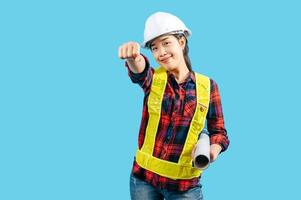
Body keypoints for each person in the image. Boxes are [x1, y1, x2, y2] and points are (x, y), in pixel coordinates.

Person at [118, 11, 230, 200]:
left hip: (184, 187)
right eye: (154, 48)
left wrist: (213, 150)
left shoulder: (208, 87)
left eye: (166, 43)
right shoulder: (154, 80)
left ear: (181, 42)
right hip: (143, 180)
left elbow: (219, 132)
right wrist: (132, 58)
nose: (160, 52)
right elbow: (140, 70)